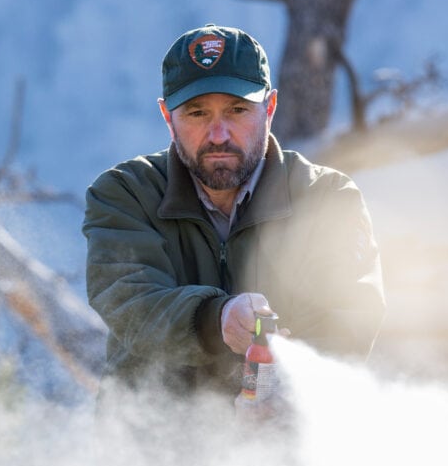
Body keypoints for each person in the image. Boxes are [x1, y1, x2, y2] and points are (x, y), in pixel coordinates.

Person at [82, 24, 385, 401]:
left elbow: (350, 317)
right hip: (144, 448)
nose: (219, 134)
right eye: (196, 113)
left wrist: (273, 397)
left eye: (238, 110)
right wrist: (217, 318)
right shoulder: (125, 193)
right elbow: (128, 302)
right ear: (167, 116)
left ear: (270, 109)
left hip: (281, 447)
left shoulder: (327, 198)